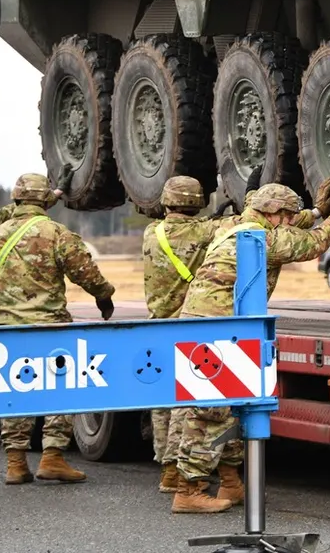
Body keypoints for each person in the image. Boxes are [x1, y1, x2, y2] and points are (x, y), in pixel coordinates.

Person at [172, 179, 330, 514]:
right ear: (273, 213)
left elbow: (292, 227)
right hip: (218, 330)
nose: (288, 221)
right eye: (285, 215)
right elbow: (313, 242)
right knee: (211, 411)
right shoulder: (264, 239)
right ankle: (189, 490)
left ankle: (230, 483)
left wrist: (317, 210)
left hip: (213, 326)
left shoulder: (238, 225)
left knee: (232, 408)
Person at [0, 172, 116, 486]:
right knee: (61, 388)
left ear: (16, 199)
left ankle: (16, 463)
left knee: (15, 391)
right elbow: (86, 273)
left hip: (9, 330)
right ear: (46, 200)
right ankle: (53, 457)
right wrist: (104, 297)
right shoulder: (58, 233)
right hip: (51, 329)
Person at [143, 176, 217, 495]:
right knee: (184, 403)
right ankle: (176, 469)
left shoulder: (151, 232)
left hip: (157, 324)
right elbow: (240, 224)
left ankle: (165, 465)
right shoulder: (203, 231)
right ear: (197, 203)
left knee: (162, 401)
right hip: (186, 327)